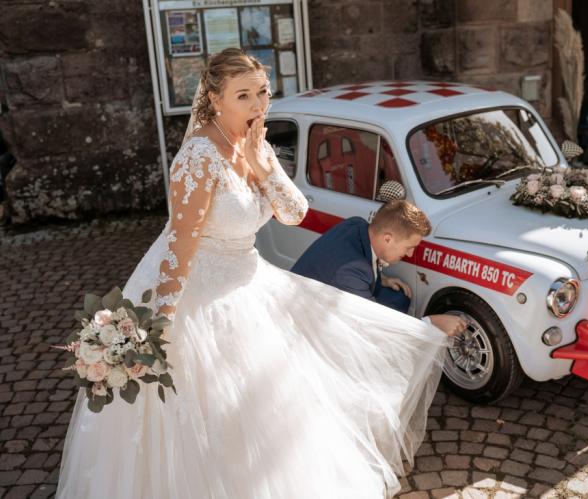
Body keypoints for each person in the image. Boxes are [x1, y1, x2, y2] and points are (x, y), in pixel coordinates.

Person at [57, 48, 449, 499]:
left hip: (249, 282)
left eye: (262, 91)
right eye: (243, 95)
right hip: (198, 293)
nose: (258, 104)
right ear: (214, 100)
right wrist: (155, 325)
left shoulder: (255, 143)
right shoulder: (198, 158)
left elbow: (295, 212)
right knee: (205, 414)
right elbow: (180, 245)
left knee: (274, 407)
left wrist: (263, 167)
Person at [292, 201, 467, 336]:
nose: (410, 254)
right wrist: (431, 323)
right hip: (312, 324)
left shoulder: (357, 224)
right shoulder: (351, 273)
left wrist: (382, 278)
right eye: (409, 247)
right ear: (388, 239)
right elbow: (376, 326)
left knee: (400, 298)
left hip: (332, 290)